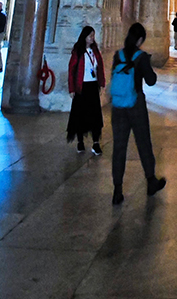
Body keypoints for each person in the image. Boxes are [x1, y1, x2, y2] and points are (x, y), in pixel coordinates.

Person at [110, 22, 167, 205]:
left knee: (119, 147)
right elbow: (151, 81)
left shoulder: (118, 55)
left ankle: (117, 190)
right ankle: (151, 181)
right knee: (143, 142)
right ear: (140, 39)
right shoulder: (140, 57)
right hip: (135, 104)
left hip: (118, 106)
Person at [67, 25, 106, 155]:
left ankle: (96, 143)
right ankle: (80, 142)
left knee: (95, 116)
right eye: (90, 36)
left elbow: (100, 67)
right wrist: (72, 89)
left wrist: (102, 82)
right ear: (84, 37)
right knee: (80, 115)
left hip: (92, 86)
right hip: (81, 87)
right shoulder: (78, 51)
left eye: (93, 36)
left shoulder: (95, 51)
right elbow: (72, 70)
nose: (92, 38)